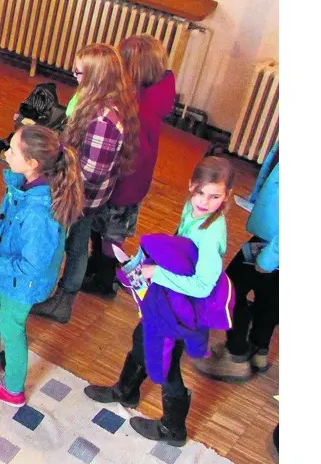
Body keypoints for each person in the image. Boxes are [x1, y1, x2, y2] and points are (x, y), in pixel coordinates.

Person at [84, 157, 236, 446]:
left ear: (226, 196)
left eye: (215, 196)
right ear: (191, 186)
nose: (204, 202)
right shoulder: (192, 210)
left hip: (184, 308)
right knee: (142, 337)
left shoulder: (211, 232)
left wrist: (157, 272)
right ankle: (126, 391)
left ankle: (173, 429)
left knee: (166, 361)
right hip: (169, 298)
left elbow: (203, 286)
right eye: (200, 192)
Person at [0, 126, 85, 405]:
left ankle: (13, 389)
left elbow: (33, 266)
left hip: (23, 281)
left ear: (32, 163)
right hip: (6, 267)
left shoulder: (39, 211)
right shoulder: (23, 186)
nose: (6, 152)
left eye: (13, 150)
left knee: (12, 329)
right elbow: (9, 222)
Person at [33, 43, 138, 322]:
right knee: (74, 243)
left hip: (81, 197)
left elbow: (92, 172)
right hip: (79, 192)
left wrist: (59, 181)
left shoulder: (104, 118)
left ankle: (62, 299)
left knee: (74, 245)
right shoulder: (97, 103)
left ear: (96, 78)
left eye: (79, 73)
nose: (74, 77)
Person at [85, 34, 178, 295]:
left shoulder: (138, 106)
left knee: (110, 236)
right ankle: (99, 268)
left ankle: (104, 280)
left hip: (123, 185)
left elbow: (131, 151)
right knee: (105, 231)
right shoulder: (153, 95)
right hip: (132, 185)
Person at [198, 141, 278, 381]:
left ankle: (236, 353)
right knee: (270, 295)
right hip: (270, 237)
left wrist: (270, 257)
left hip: (271, 243)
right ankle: (259, 349)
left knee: (231, 289)